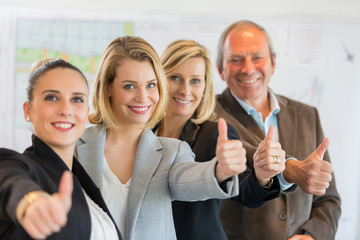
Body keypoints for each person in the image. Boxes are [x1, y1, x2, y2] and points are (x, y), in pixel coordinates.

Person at [74, 36, 245, 240]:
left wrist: (220, 170)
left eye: (151, 85)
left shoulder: (172, 152)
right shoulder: (75, 147)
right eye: (129, 86)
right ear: (108, 87)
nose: (143, 96)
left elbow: (191, 180)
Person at [215, 20, 341, 240]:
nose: (248, 68)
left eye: (257, 58)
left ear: (273, 63)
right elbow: (243, 167)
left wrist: (311, 235)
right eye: (236, 60)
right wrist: (291, 169)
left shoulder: (306, 115)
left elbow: (328, 200)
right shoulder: (208, 117)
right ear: (220, 69)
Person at [156, 39, 285, 240]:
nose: (185, 90)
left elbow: (243, 190)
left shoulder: (215, 134)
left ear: (205, 86)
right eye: (175, 78)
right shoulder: (144, 133)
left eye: (195, 81)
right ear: (159, 78)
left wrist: (261, 177)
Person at [0, 59, 121, 240]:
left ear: (86, 113)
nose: (66, 109)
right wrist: (31, 203)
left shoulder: (82, 182)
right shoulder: (17, 165)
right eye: (52, 97)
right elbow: (7, 181)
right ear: (28, 111)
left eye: (77, 99)